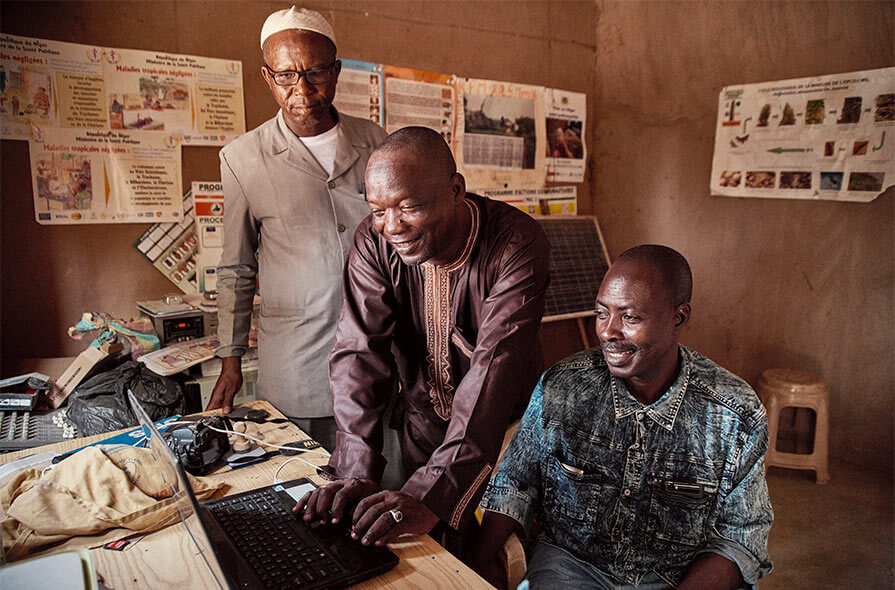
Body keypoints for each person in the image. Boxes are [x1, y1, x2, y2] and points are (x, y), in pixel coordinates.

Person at [295, 126, 551, 554]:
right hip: (423, 427)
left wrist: (430, 494)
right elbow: (359, 355)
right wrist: (355, 472)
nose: (391, 226)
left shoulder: (516, 245)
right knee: (426, 554)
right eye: (377, 209)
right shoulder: (373, 241)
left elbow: (492, 376)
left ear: (456, 189)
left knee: (493, 559)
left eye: (408, 207)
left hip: (506, 434)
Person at [472, 245, 773, 590]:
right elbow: (515, 485)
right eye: (602, 314)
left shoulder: (734, 413)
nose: (608, 332)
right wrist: (478, 565)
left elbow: (741, 537)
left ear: (679, 317)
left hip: (676, 578)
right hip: (570, 567)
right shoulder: (563, 388)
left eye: (630, 318)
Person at [207, 6, 387, 452]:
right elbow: (236, 267)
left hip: (381, 354)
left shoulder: (376, 142)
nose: (302, 89)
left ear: (337, 71)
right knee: (307, 487)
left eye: (315, 72)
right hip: (298, 360)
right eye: (286, 76)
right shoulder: (243, 158)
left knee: (381, 487)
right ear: (267, 78)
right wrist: (229, 361)